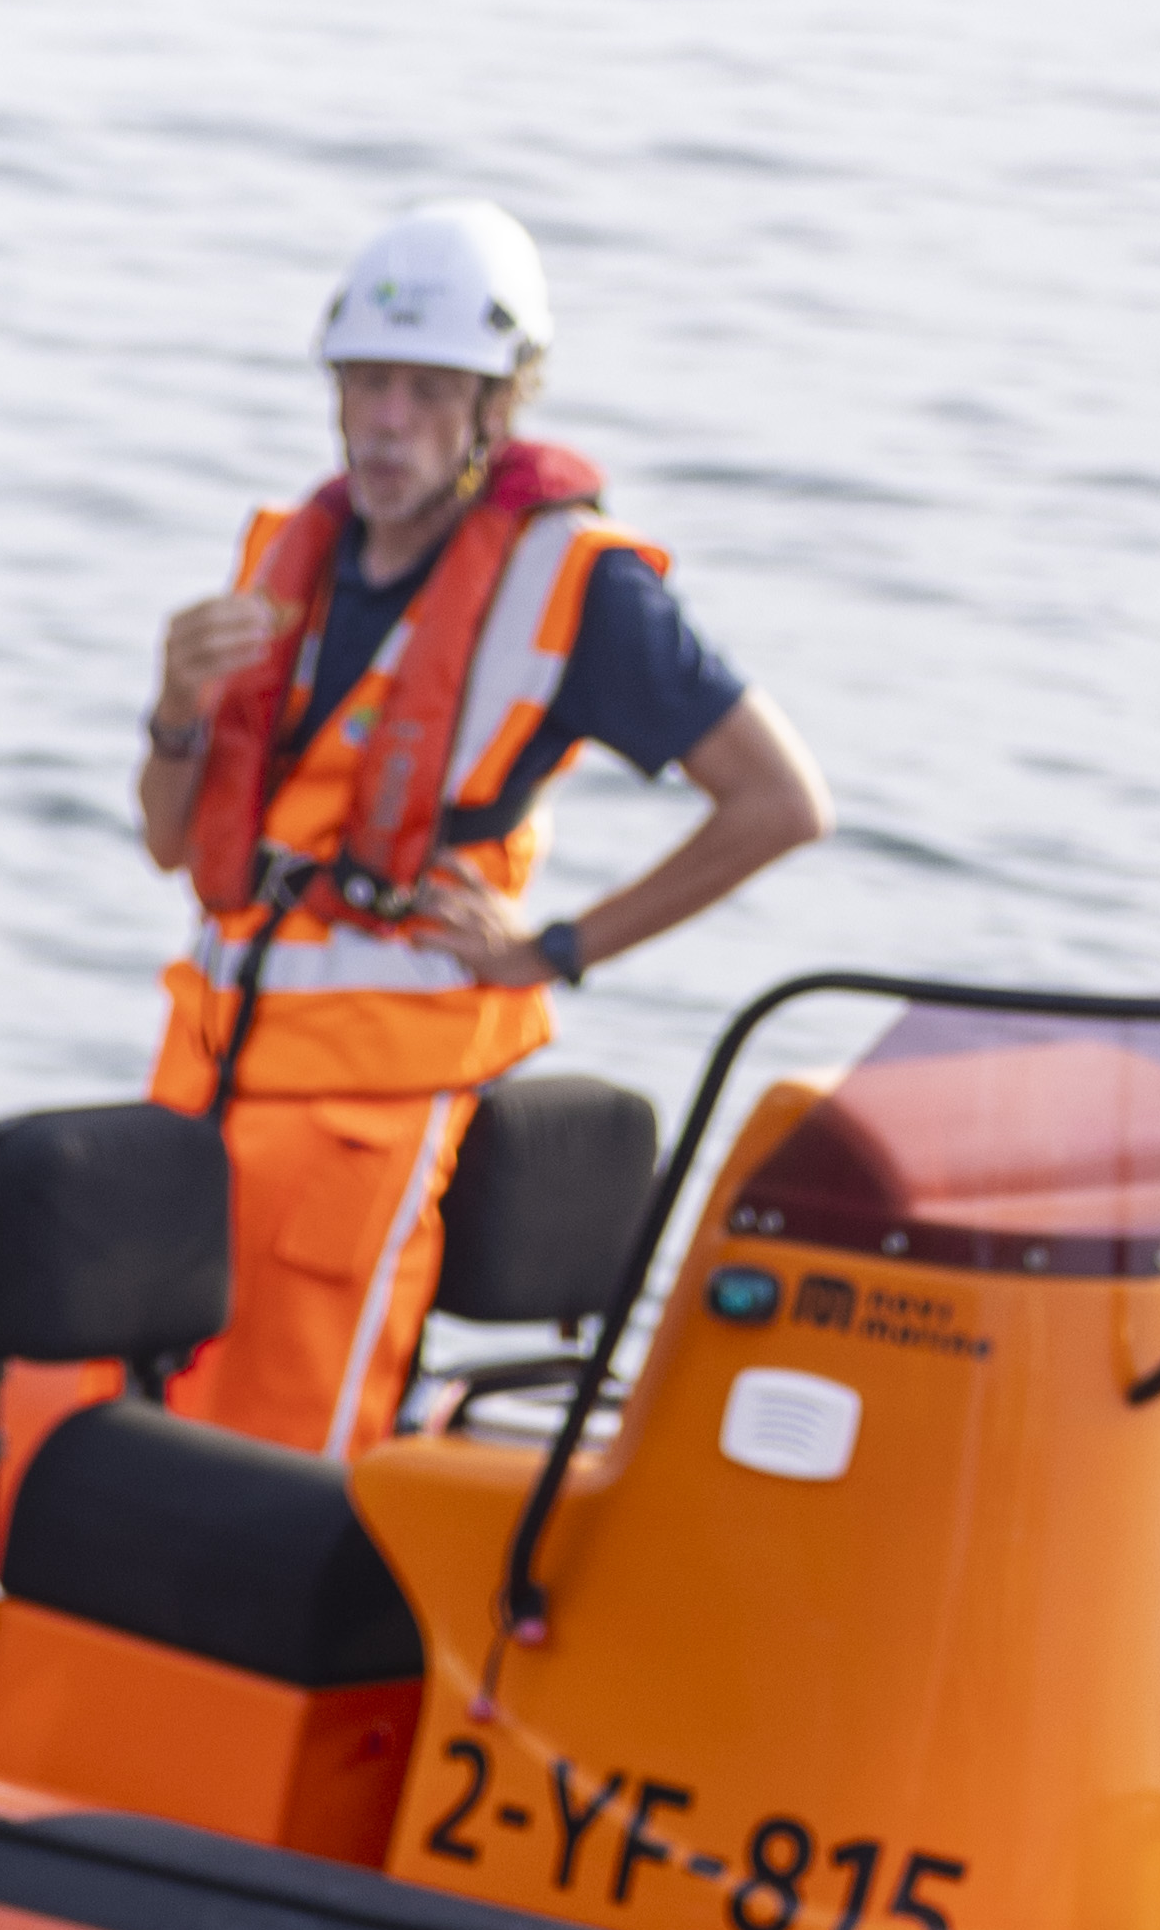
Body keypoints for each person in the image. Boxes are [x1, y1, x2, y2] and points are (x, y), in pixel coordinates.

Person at [135, 201, 833, 1454]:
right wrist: (174, 712)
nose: (385, 420)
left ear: (495, 406)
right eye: (365, 386)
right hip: (201, 1089)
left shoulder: (578, 585)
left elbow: (780, 803)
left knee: (284, 1462)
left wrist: (555, 947)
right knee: (131, 1435)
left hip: (369, 1126)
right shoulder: (285, 557)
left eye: (424, 390)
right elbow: (171, 847)